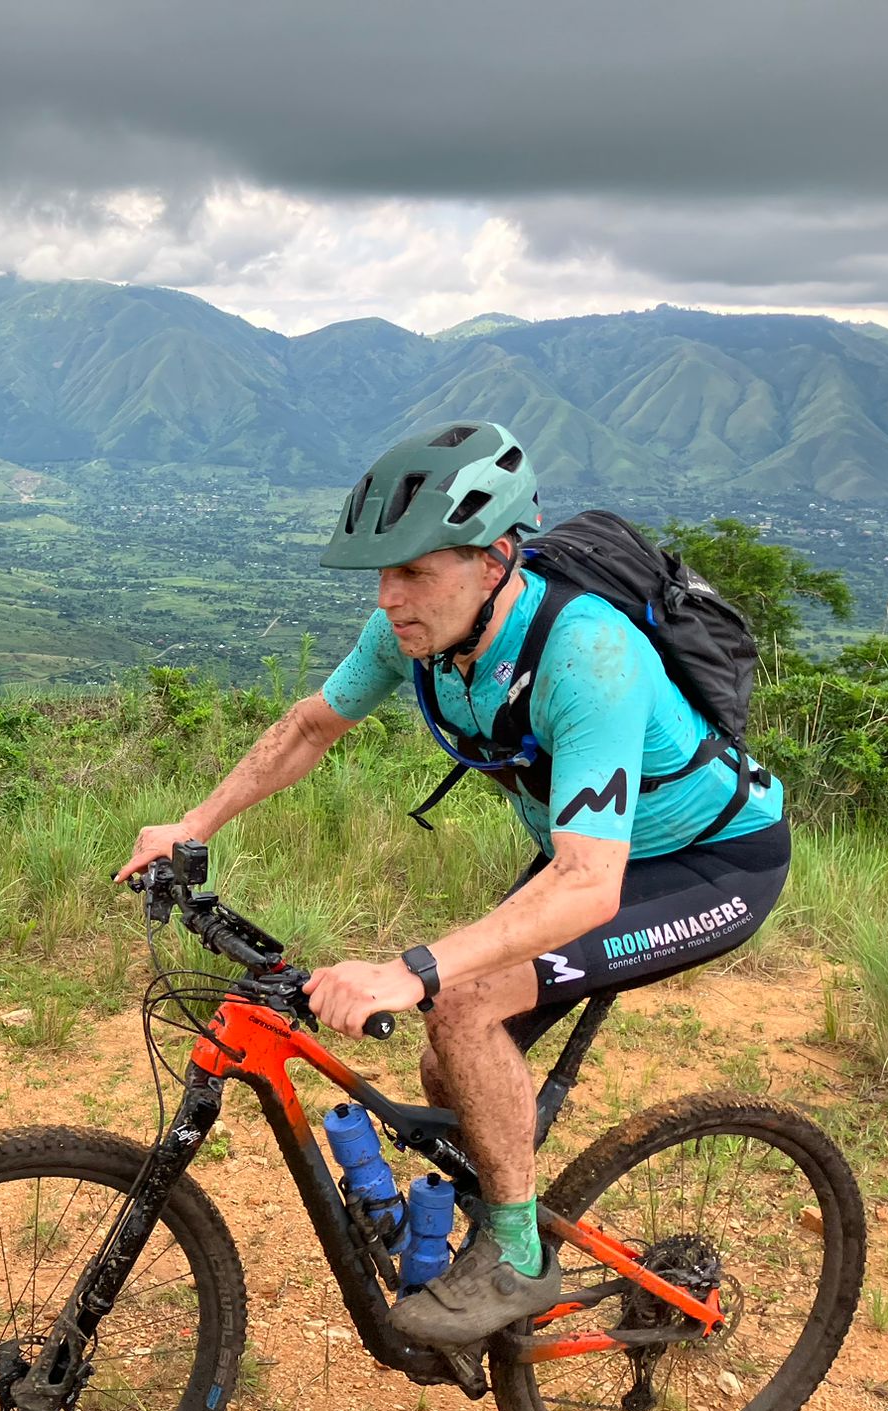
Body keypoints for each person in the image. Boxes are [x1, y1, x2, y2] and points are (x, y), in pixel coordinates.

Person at [114, 420, 790, 1349]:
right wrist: (194, 824)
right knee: (450, 1056)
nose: (390, 598)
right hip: (585, 854)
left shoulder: (589, 653)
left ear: (496, 560)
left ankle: (515, 1256)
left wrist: (409, 968)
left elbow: (592, 887)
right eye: (382, 575)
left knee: (459, 1000)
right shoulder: (417, 633)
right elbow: (311, 726)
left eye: (416, 572)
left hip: (709, 863)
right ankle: (499, 1205)